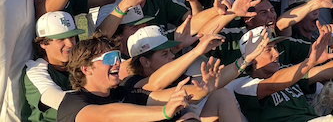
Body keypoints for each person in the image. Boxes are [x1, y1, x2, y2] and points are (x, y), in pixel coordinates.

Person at [56, 33, 221, 122]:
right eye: (108, 59)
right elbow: (109, 115)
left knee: (189, 117)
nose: (116, 63)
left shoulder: (124, 93)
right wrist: (165, 111)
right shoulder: (73, 103)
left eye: (116, 57)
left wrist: (206, 89)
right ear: (86, 69)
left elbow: (164, 97)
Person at [21, 11, 85, 122]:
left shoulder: (80, 64)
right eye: (61, 39)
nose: (70, 44)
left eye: (72, 37)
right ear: (43, 43)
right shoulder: (34, 70)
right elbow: (59, 101)